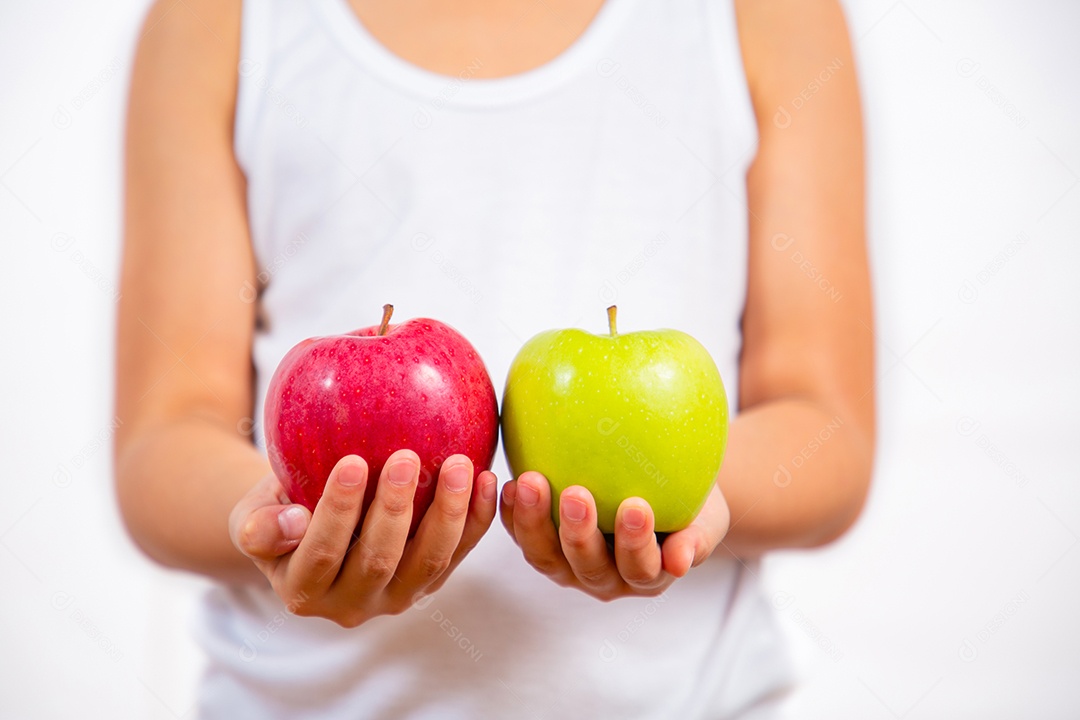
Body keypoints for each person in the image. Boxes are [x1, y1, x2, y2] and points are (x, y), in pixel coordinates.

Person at [115, 0, 874, 717]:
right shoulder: (223, 23)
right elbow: (165, 440)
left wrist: (671, 499)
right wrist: (285, 519)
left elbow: (826, 433)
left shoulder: (764, 16)